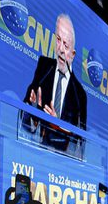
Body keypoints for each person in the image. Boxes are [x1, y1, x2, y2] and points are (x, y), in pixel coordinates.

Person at [23, 13, 87, 152]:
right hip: (35, 155)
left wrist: (57, 125)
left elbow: (80, 141)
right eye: (58, 40)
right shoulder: (44, 68)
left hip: (62, 162)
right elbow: (25, 124)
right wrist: (32, 110)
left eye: (66, 45)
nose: (61, 49)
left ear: (73, 54)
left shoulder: (79, 94)